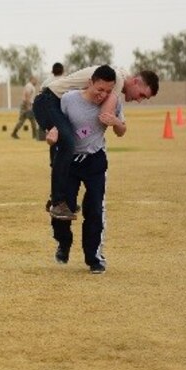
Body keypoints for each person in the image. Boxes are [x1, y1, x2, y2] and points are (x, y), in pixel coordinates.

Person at [33, 65, 159, 220]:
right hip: (48, 101)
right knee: (68, 142)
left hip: (53, 101)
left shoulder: (119, 76)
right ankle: (58, 203)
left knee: (67, 140)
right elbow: (103, 116)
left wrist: (116, 123)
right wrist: (114, 117)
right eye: (141, 95)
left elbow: (96, 124)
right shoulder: (117, 81)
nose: (139, 100)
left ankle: (56, 198)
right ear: (135, 81)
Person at [48, 65, 125, 274]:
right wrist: (53, 133)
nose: (103, 95)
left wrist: (116, 122)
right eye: (99, 89)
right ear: (90, 82)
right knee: (64, 208)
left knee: (94, 210)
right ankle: (63, 243)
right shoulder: (69, 99)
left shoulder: (113, 102)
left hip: (95, 160)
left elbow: (121, 131)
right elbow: (58, 124)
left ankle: (93, 258)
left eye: (108, 91)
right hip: (69, 162)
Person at [37, 63, 64, 140]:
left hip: (49, 110)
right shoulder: (66, 80)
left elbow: (40, 96)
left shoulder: (46, 82)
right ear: (62, 71)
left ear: (52, 71)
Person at [11, 76, 38, 140]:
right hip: (26, 105)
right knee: (32, 120)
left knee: (23, 120)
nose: (36, 82)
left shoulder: (30, 86)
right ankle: (35, 135)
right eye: (35, 80)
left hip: (26, 104)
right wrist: (28, 106)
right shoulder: (29, 86)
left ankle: (14, 133)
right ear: (32, 79)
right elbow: (27, 94)